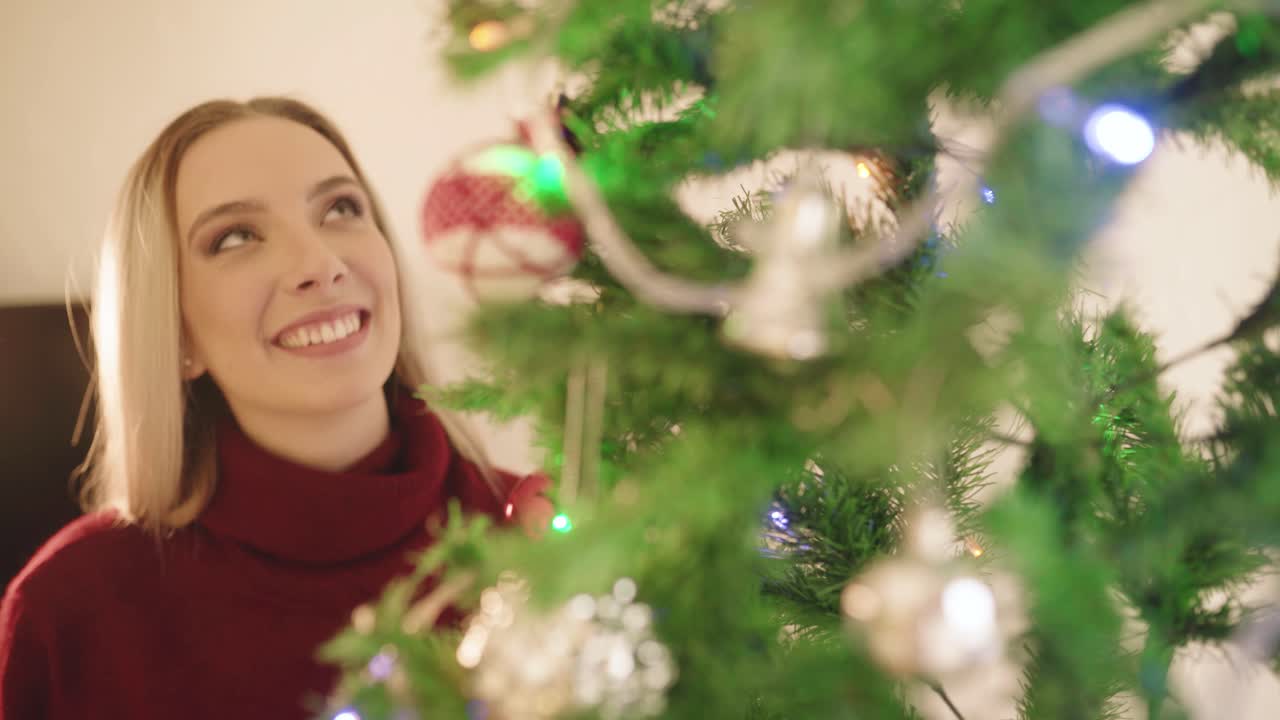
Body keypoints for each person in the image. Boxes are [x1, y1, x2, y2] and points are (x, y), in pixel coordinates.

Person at [0, 96, 553, 720]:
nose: (321, 264)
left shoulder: (551, 541)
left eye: (340, 208)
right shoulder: (70, 610)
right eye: (236, 237)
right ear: (175, 334)